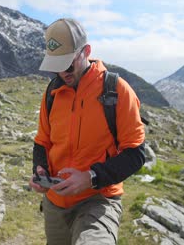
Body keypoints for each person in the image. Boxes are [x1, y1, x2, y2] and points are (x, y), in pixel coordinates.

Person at [29, 18, 146, 245]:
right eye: (57, 65)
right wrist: (39, 171)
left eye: (68, 63)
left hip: (98, 200)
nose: (63, 72)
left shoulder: (117, 91)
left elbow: (136, 154)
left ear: (86, 51)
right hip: (54, 203)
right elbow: (42, 141)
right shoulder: (52, 93)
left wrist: (91, 178)